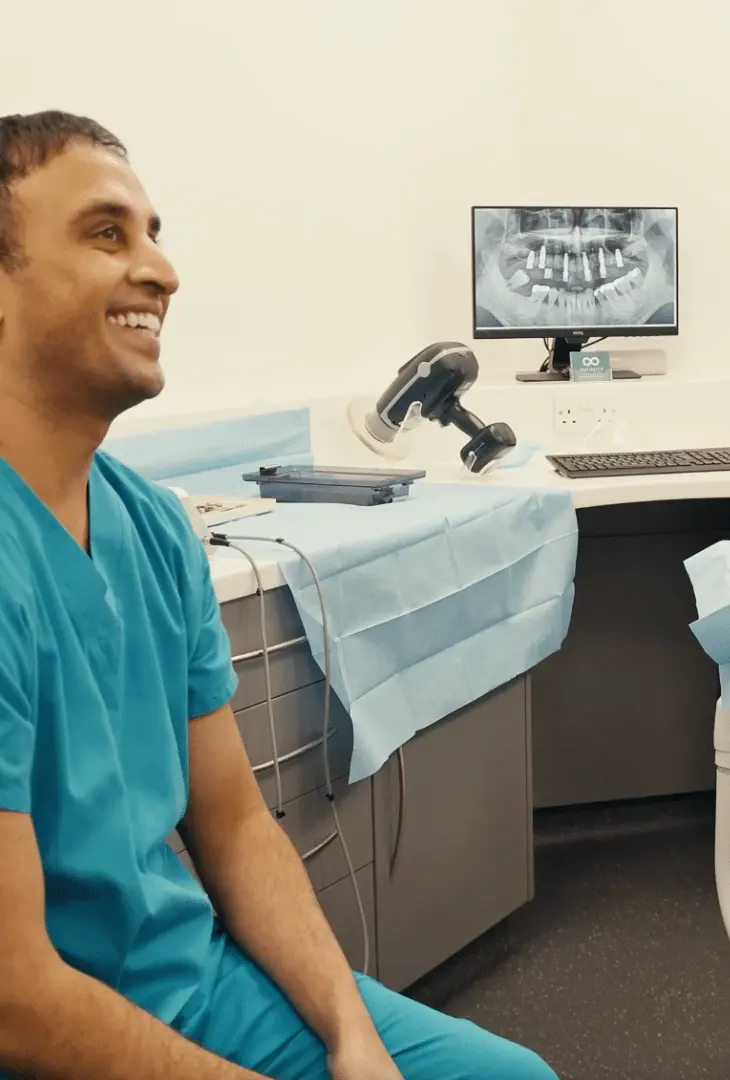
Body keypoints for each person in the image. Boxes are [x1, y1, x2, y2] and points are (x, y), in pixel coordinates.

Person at [0, 110, 558, 1080]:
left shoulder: (153, 529)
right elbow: (17, 1002)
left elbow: (233, 826)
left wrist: (351, 1036)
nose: (161, 272)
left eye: (153, 235)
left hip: (195, 985)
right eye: (106, 235)